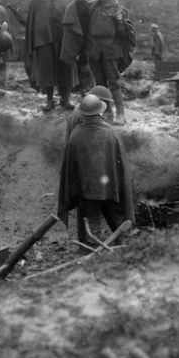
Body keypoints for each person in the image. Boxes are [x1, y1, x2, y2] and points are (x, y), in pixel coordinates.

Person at [57, 94, 135, 249]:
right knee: (117, 216)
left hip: (88, 191)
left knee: (91, 219)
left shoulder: (76, 135)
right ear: (99, 112)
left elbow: (70, 168)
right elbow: (120, 165)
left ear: (83, 113)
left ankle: (91, 250)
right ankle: (125, 246)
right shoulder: (111, 133)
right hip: (110, 187)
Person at [74, 0, 135, 125]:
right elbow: (79, 4)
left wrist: (120, 21)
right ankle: (107, 112)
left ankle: (120, 114)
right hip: (94, 49)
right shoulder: (93, 6)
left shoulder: (119, 9)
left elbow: (124, 34)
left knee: (114, 82)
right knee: (100, 83)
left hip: (111, 50)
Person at [26, 0, 78, 111]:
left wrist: (73, 39)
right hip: (45, 37)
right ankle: (49, 100)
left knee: (66, 68)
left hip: (63, 37)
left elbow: (73, 16)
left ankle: (65, 99)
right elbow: (33, 18)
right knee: (47, 69)